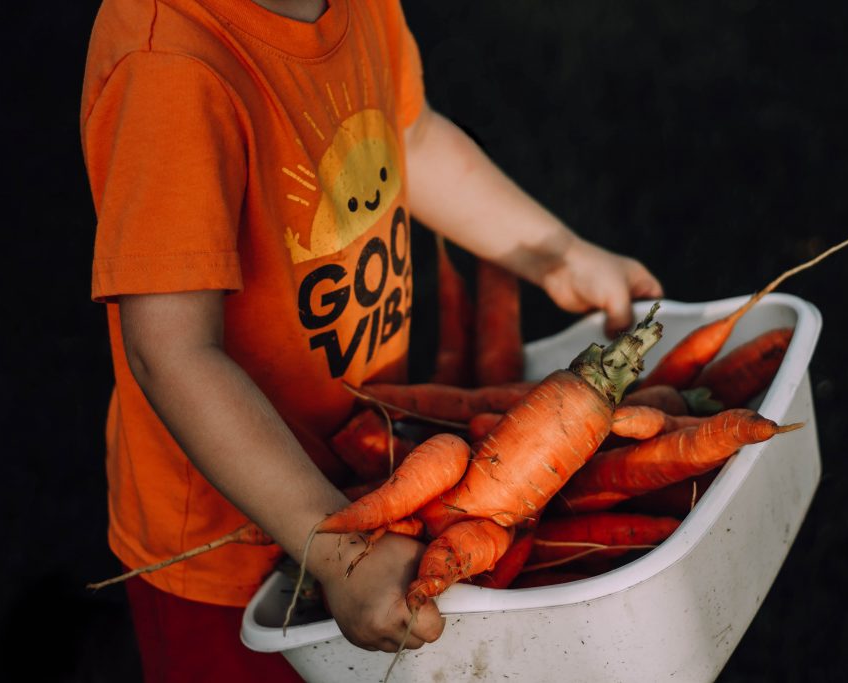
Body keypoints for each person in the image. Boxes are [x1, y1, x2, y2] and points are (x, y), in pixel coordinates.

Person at [81, 0, 662, 679]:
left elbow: (408, 138)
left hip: (362, 474)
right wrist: (336, 549)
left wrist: (553, 252)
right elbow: (172, 352)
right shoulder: (169, 69)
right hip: (227, 548)